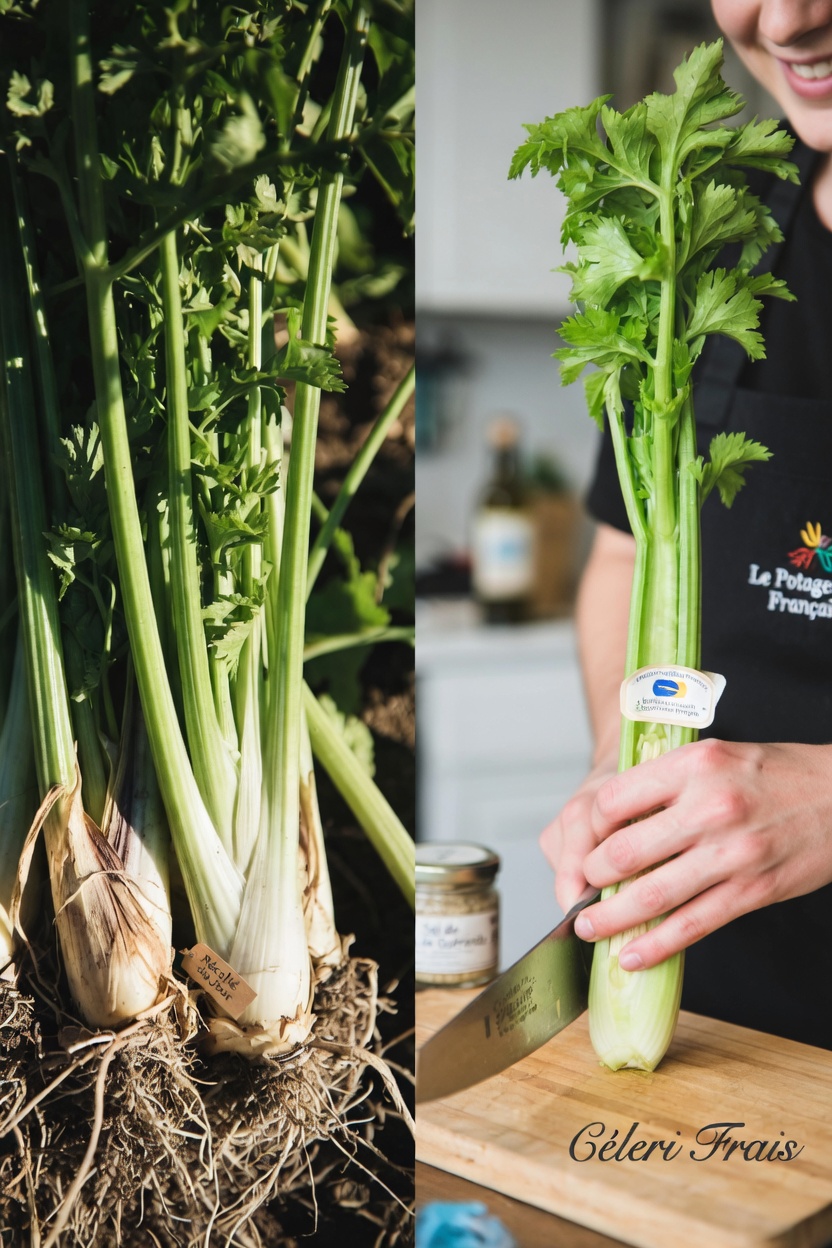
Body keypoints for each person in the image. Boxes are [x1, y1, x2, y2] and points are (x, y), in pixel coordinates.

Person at [540, 0, 832, 1048]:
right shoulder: (701, 243)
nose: (787, 17)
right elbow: (622, 555)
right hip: (712, 1014)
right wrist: (618, 765)